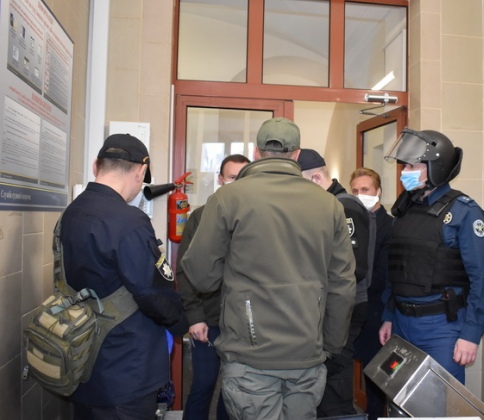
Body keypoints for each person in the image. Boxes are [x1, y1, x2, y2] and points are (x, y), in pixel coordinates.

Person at [180, 118, 356, 420]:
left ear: (256, 152)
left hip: (250, 354)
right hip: (307, 353)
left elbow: (201, 276)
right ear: (297, 154)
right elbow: (343, 284)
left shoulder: (228, 198)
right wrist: (331, 344)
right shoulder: (329, 205)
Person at [60, 133, 187, 419]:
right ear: (141, 172)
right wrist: (181, 321)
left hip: (81, 354)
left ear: (96, 166)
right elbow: (153, 292)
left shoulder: (72, 212)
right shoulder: (129, 221)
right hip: (124, 366)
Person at [379, 128, 484, 384]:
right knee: (399, 394)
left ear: (436, 168)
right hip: (401, 322)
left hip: (441, 326)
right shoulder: (405, 210)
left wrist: (471, 334)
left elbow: (482, 279)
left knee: (439, 398)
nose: (404, 172)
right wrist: (388, 316)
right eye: (404, 166)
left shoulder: (465, 212)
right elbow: (396, 269)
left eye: (412, 166)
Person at [297, 148, 371, 417]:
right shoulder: (326, 205)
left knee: (335, 383)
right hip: (328, 306)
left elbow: (353, 268)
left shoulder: (344, 206)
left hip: (343, 308)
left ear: (316, 179)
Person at [177, 153, 250, 420]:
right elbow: (185, 270)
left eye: (243, 177)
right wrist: (194, 317)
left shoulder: (256, 218)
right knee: (204, 384)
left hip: (243, 322)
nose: (237, 183)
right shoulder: (200, 217)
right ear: (220, 179)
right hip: (208, 320)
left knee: (234, 390)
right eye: (232, 177)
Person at [350, 167, 394, 420]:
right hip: (351, 308)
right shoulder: (350, 223)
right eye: (355, 190)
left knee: (375, 375)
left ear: (378, 191)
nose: (360, 195)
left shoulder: (390, 226)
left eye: (365, 189)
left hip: (377, 309)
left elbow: (383, 275)